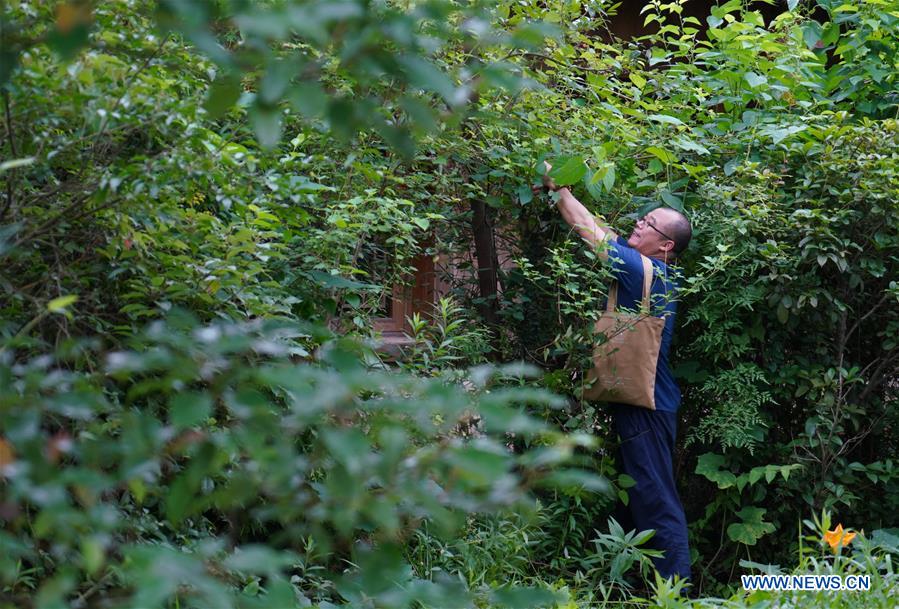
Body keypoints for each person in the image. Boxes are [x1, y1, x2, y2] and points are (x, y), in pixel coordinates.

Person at [541, 167, 693, 582]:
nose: (638, 224)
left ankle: (678, 595)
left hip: (647, 406)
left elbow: (588, 228)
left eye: (648, 224)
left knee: (657, 501)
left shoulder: (644, 270)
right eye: (642, 218)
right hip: (644, 403)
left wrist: (559, 187)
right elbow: (602, 229)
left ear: (665, 245)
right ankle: (625, 586)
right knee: (635, 498)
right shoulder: (654, 273)